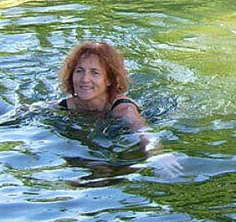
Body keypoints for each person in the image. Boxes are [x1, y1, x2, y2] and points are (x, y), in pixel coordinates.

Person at [57, 41, 180, 176]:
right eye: (79, 71)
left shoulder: (124, 109)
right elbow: (36, 108)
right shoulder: (66, 106)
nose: (85, 79)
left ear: (109, 80)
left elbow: (142, 131)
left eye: (95, 73)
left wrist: (156, 153)